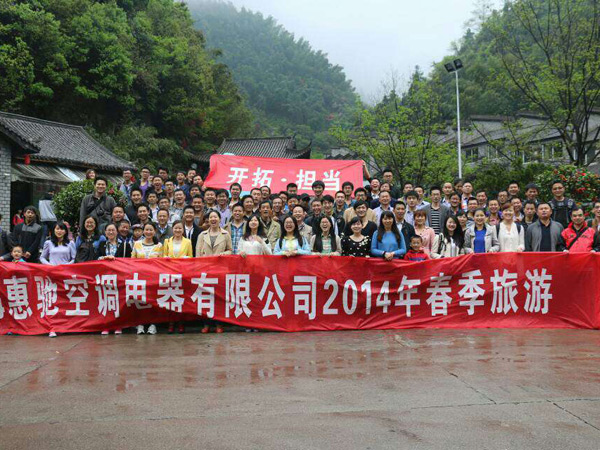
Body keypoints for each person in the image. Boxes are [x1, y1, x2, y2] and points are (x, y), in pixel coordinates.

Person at [131, 222, 163, 335]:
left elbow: (162, 263)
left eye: (151, 230)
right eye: (146, 230)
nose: (148, 232)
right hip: (139, 278)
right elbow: (132, 260)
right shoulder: (137, 244)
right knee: (140, 301)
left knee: (153, 301)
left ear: (154, 231)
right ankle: (140, 324)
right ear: (143, 231)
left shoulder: (159, 246)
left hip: (154, 278)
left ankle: (153, 324)